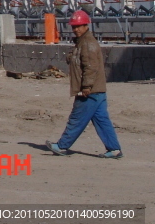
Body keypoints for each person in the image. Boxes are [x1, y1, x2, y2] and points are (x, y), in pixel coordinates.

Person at [47, 10, 122, 158]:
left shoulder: (87, 43)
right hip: (98, 90)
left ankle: (62, 146)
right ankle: (114, 149)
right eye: (74, 27)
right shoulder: (82, 42)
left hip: (90, 91)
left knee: (76, 118)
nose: (76, 29)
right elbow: (79, 61)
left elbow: (91, 67)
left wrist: (86, 86)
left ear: (86, 25)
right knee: (102, 121)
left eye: (79, 26)